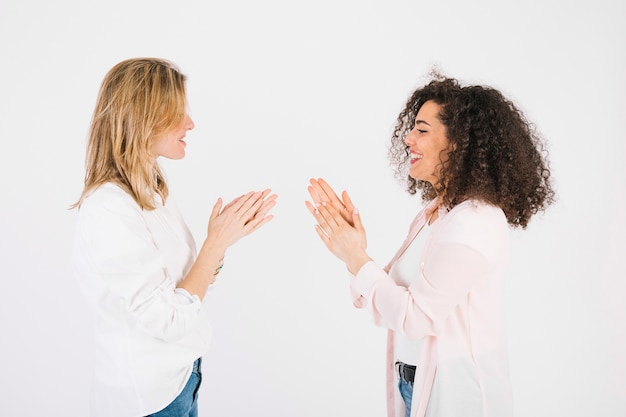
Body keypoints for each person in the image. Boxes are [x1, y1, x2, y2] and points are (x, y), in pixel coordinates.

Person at [305, 72, 554, 417]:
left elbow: (416, 317)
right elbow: (390, 296)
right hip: (414, 384)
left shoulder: (474, 222)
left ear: (459, 143)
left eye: (422, 130)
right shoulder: (436, 214)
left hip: (457, 397)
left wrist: (357, 258)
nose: (408, 138)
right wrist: (355, 253)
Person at [71, 58, 277, 417]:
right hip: (147, 401)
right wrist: (214, 244)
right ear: (143, 119)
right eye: (177, 112)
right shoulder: (109, 209)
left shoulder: (152, 192)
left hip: (179, 382)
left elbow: (189, 294)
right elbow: (168, 317)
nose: (191, 123)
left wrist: (221, 241)